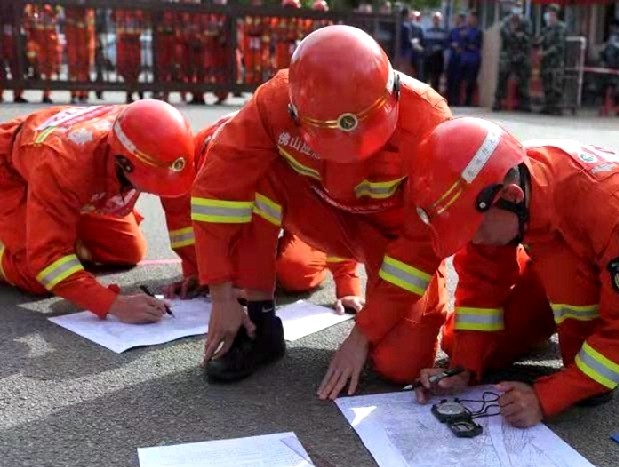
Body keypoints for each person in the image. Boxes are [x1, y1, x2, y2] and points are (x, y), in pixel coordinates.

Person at [190, 26, 451, 392]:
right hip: (320, 216)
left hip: (389, 240)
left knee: (402, 363)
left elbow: (422, 245)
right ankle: (260, 323)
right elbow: (217, 188)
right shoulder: (276, 101)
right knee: (255, 173)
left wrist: (362, 335)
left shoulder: (431, 123)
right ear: (296, 112)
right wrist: (220, 293)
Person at [408, 117, 619, 427]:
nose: (470, 239)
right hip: (558, 251)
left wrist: (546, 397)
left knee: (586, 368)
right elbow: (481, 282)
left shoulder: (617, 212)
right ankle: (553, 326)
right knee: (461, 345)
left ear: (512, 197)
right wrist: (464, 368)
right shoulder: (496, 194)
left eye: (471, 228)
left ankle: (574, 347)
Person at [0, 100, 195, 322]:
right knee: (36, 274)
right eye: (151, 181)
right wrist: (114, 305)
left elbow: (179, 209)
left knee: (127, 251)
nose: (156, 190)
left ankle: (60, 225)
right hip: (11, 172)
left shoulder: (149, 133)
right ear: (123, 163)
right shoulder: (64, 165)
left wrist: (194, 271)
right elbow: (48, 260)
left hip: (72, 181)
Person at [165, 112, 364, 311]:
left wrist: (347, 286)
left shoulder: (293, 156)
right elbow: (183, 223)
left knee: (296, 271)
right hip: (254, 192)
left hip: (291, 201)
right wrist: (196, 272)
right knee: (237, 275)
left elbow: (330, 217)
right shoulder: (188, 163)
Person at [493, 6, 533, 112]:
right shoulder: (506, 22)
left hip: (522, 53)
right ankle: (498, 101)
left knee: (524, 78)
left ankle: (525, 104)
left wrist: (519, 36)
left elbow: (528, 38)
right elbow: (506, 35)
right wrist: (516, 34)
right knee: (502, 76)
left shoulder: (526, 22)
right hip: (508, 54)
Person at [64, 2, 95, 104]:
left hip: (86, 34)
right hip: (74, 33)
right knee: (73, 63)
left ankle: (83, 92)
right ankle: (74, 92)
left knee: (85, 63)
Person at [538, 4, 566, 115]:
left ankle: (556, 107)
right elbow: (542, 41)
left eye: (551, 13)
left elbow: (558, 45)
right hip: (546, 62)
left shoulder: (560, 28)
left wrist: (545, 53)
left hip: (555, 61)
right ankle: (548, 106)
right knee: (547, 84)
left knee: (555, 84)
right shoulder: (546, 29)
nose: (549, 16)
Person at [1, 2, 27, 103]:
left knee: (16, 63)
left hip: (14, 28)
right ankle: (16, 93)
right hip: (9, 28)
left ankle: (18, 93)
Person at [457, 11, 482, 106]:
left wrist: (467, 45)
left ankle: (468, 100)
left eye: (471, 18)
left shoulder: (478, 31)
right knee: (459, 80)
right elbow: (460, 44)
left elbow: (476, 45)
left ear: (475, 19)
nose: (469, 19)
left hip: (473, 59)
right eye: (468, 17)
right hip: (463, 59)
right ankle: (459, 100)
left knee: (471, 80)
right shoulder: (463, 30)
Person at [422, 12, 448, 93]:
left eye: (438, 19)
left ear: (440, 20)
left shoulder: (443, 32)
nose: (436, 20)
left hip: (438, 58)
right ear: (432, 20)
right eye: (435, 18)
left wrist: (437, 48)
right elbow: (424, 43)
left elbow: (445, 45)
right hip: (428, 57)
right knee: (425, 78)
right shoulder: (427, 31)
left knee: (436, 78)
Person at [445, 12, 466, 105]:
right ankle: (449, 100)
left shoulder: (466, 31)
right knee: (450, 79)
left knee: (458, 80)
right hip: (452, 58)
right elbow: (447, 42)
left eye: (457, 18)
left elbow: (467, 43)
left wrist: (461, 46)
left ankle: (456, 101)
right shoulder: (453, 31)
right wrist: (452, 45)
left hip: (461, 58)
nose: (456, 20)